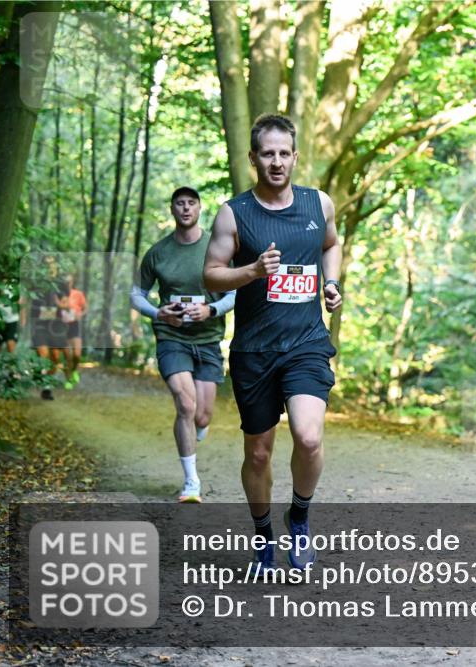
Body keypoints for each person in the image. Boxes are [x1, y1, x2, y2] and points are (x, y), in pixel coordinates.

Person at [204, 113, 342, 572]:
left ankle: (298, 521)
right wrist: (253, 271)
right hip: (254, 351)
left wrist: (333, 282)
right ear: (253, 158)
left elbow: (331, 244)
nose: (277, 162)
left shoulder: (317, 204)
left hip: (306, 343)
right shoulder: (234, 212)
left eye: (285, 153)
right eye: (268, 154)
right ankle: (264, 536)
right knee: (258, 451)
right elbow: (211, 274)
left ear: (295, 157)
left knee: (308, 435)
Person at [132, 186, 236, 503]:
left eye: (191, 203)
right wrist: (157, 312)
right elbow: (136, 293)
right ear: (172, 209)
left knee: (202, 416)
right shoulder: (158, 252)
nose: (186, 208)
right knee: (185, 405)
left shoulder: (217, 248)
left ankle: (198, 428)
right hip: (172, 338)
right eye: (180, 203)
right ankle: (191, 482)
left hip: (208, 340)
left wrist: (210, 309)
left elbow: (235, 292)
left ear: (200, 208)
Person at [24, 256, 66, 400]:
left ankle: (46, 386)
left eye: (52, 264)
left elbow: (65, 304)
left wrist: (60, 305)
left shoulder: (61, 284)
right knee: (43, 354)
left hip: (55, 325)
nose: (50, 267)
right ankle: (41, 378)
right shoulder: (37, 284)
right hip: (40, 324)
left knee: (55, 356)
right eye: (47, 264)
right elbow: (27, 301)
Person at [58, 273, 87, 389]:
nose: (68, 283)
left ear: (73, 281)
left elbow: (85, 308)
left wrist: (80, 314)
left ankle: (74, 371)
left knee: (77, 354)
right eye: (66, 281)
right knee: (67, 356)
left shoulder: (78, 294)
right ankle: (68, 379)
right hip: (62, 326)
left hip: (74, 324)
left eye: (70, 281)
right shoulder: (58, 294)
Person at [0, 282, 20, 354]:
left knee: (10, 344)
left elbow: (21, 301)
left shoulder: (14, 285)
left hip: (12, 319)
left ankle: (12, 363)